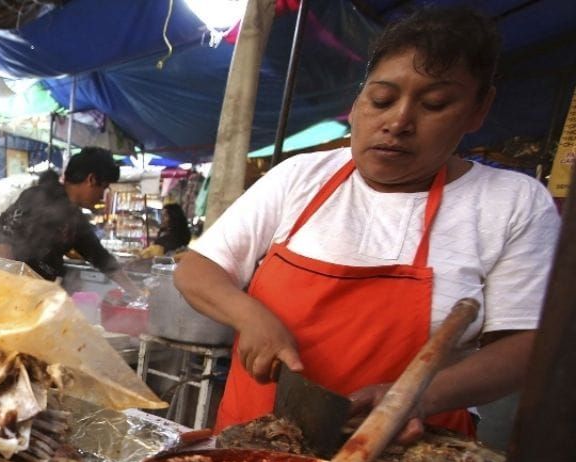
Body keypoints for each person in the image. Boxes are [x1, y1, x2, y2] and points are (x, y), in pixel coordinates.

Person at [174, 7, 560, 438]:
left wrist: (413, 396)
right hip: (257, 438)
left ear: (478, 110)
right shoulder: (299, 177)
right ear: (357, 103)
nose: (398, 122)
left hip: (402, 459)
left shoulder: (513, 203)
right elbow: (196, 270)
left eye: (434, 104)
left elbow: (528, 347)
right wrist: (250, 316)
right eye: (382, 99)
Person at [0, 147, 142, 295]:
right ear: (91, 180)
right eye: (104, 188)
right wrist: (15, 281)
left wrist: (137, 293)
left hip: (46, 294)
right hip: (19, 294)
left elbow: (102, 259)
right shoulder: (39, 197)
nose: (102, 196)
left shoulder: (75, 219)